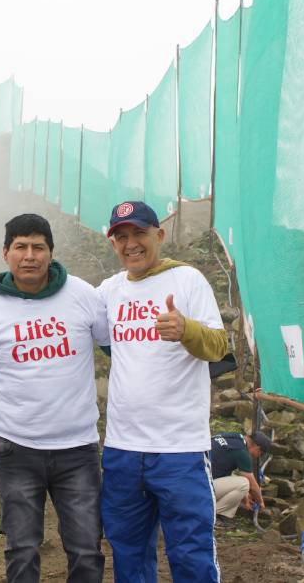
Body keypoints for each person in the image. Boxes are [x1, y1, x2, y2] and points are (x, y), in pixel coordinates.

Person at [0, 214, 109, 583]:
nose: (30, 256)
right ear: (6, 253)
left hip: (78, 449)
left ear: (50, 253)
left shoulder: (83, 295)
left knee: (87, 548)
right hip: (16, 449)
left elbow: (116, 351)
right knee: (22, 550)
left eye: (38, 247)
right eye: (21, 247)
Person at [96, 200, 229, 583]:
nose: (130, 244)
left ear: (159, 234)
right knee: (128, 553)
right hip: (123, 449)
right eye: (121, 237)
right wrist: (0, 287)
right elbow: (66, 304)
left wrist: (185, 329)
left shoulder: (187, 280)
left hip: (179, 449)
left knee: (191, 555)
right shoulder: (110, 290)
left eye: (139, 233)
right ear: (113, 243)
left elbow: (219, 346)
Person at [210, 431, 271, 519]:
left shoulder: (233, 437)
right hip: (202, 488)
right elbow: (253, 486)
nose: (258, 457)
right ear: (258, 448)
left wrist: (245, 496)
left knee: (239, 480)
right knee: (245, 483)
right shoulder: (241, 453)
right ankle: (214, 516)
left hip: (193, 479)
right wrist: (261, 502)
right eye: (261, 454)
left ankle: (219, 515)